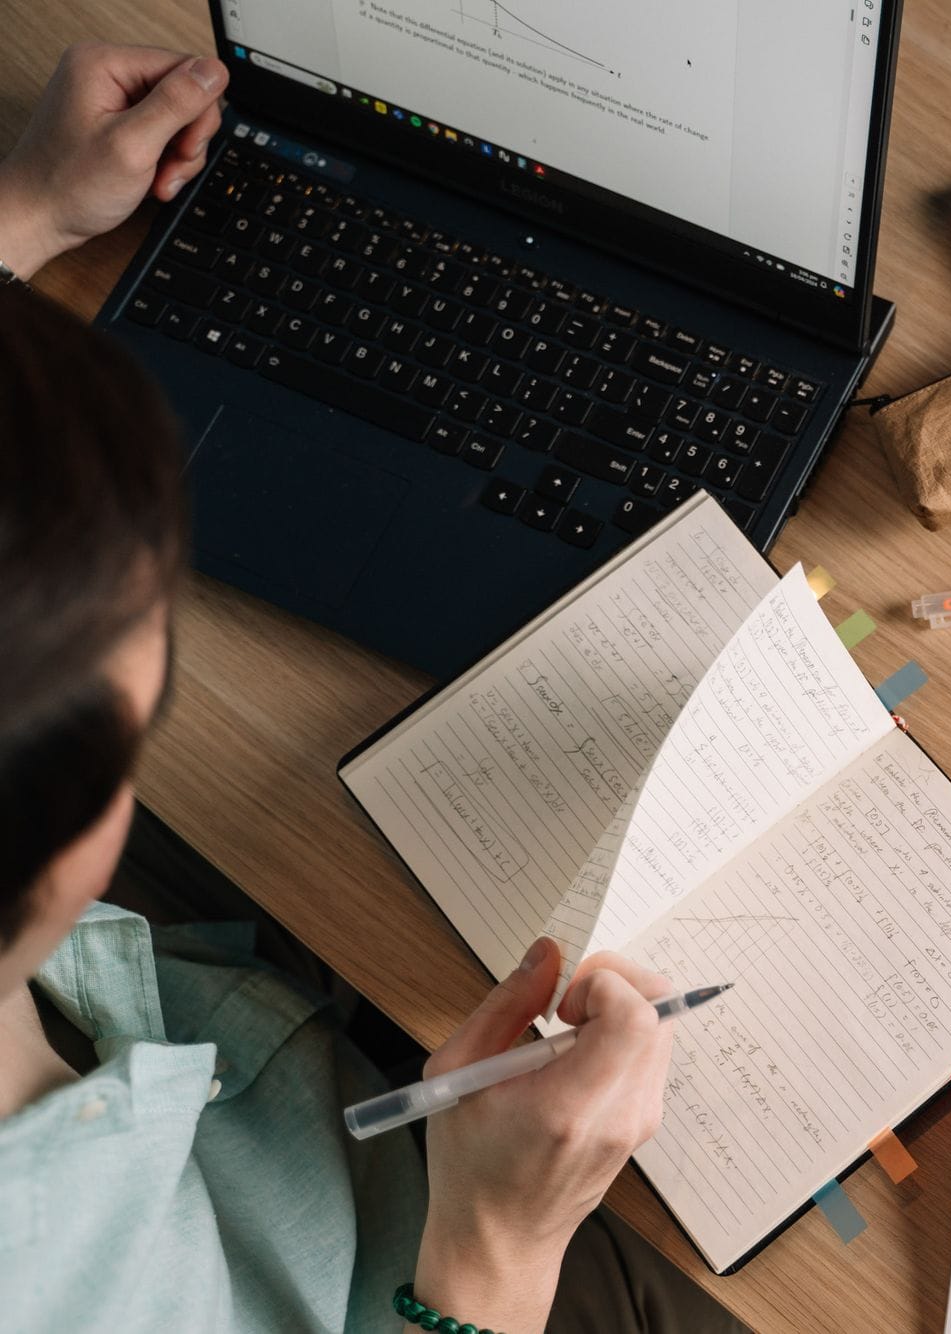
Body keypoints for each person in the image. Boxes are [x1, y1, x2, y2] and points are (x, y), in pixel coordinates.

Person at [1, 44, 738, 1333]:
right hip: (392, 1244)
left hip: (201, 1018)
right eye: (139, 725)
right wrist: (500, 1245)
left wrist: (27, 212)